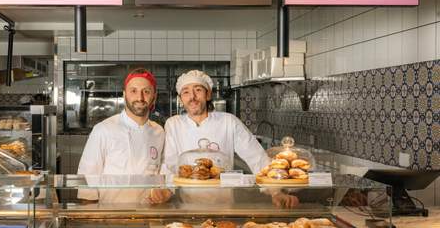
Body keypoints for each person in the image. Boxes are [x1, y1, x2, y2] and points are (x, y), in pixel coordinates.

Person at [156, 70, 298, 208]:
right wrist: (166, 190)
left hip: (222, 205)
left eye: (198, 90)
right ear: (181, 99)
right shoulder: (174, 124)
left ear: (208, 94)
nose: (192, 96)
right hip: (187, 205)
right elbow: (169, 163)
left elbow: (256, 156)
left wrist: (276, 191)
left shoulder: (228, 121)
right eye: (186, 92)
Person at [77, 68, 166, 203]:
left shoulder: (159, 132)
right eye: (133, 91)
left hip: (149, 213)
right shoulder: (104, 129)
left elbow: (162, 173)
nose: (140, 98)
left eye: (146, 91)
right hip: (111, 215)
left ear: (154, 96)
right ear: (125, 95)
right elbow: (87, 181)